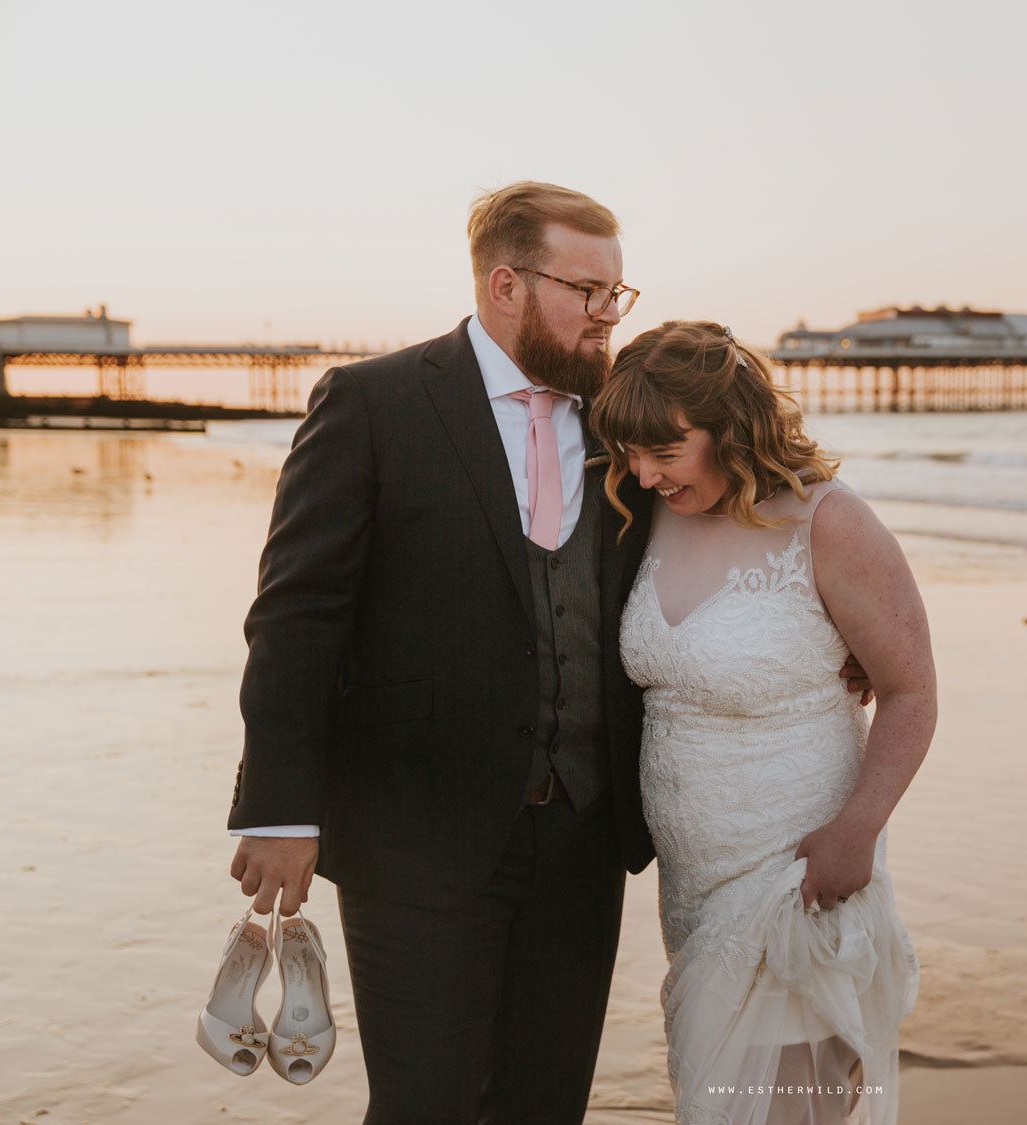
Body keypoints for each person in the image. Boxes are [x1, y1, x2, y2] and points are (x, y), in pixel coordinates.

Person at [225, 182, 657, 1122]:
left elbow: (731, 507)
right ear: (506, 283)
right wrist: (283, 805)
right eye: (586, 290)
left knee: (547, 1107)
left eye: (616, 294)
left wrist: (828, 629)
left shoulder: (622, 423)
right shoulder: (374, 403)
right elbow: (296, 615)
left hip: (583, 840)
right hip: (415, 839)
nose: (606, 315)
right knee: (426, 1106)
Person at [589, 321, 934, 1125]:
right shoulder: (646, 513)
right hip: (694, 886)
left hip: (799, 870)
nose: (642, 474)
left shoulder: (829, 521)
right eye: (632, 452)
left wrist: (858, 827)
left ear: (731, 428)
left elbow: (912, 690)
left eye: (665, 452)